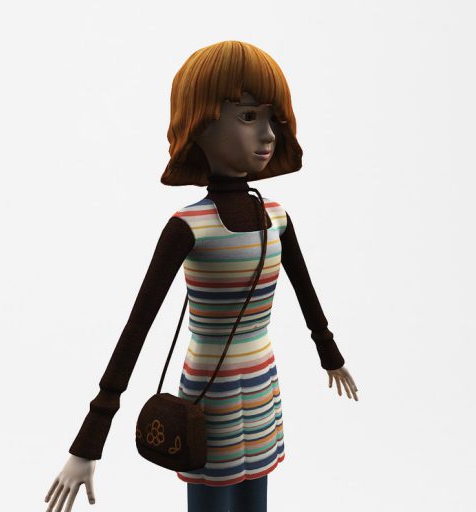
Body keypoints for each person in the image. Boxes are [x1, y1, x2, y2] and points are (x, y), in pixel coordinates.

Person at [44, 40, 359, 512]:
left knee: (255, 495)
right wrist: (90, 438)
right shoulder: (188, 226)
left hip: (262, 386)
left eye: (271, 119)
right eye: (248, 117)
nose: (267, 135)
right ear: (201, 123)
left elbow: (306, 294)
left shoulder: (277, 217)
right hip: (209, 396)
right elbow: (137, 327)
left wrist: (329, 354)